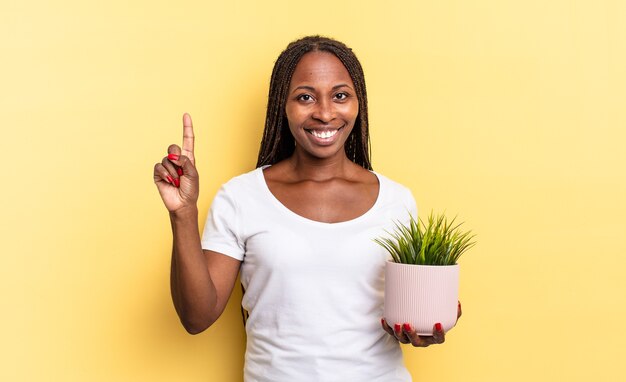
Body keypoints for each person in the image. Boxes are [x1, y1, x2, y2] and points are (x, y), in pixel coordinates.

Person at [153, 36, 461, 382]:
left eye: (340, 95)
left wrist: (420, 326)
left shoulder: (397, 201)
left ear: (359, 103)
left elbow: (402, 312)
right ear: (281, 106)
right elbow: (197, 317)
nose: (325, 112)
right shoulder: (241, 197)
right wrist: (183, 214)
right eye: (305, 97)